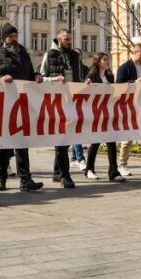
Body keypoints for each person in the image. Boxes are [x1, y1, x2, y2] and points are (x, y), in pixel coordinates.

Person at [0, 23, 44, 192]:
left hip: (22, 104)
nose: (14, 39)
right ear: (4, 38)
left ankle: (25, 180)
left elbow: (30, 74)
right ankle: (1, 179)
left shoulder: (22, 52)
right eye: (10, 36)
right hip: (4, 106)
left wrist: (37, 76)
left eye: (15, 36)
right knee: (3, 145)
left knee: (22, 144)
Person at [40, 29, 83, 189]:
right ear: (59, 39)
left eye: (70, 39)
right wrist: (54, 79)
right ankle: (65, 176)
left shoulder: (74, 56)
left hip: (71, 101)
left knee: (66, 139)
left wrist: (84, 82)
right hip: (56, 102)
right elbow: (40, 77)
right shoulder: (49, 55)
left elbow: (79, 76)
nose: (69, 42)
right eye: (66, 39)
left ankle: (57, 172)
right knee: (61, 138)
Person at [115, 43, 141, 178]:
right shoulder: (124, 67)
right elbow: (118, 86)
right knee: (128, 137)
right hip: (129, 107)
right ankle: (122, 165)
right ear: (135, 52)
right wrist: (134, 82)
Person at [83, 52, 125, 182]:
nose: (107, 62)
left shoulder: (109, 76)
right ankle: (89, 169)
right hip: (96, 113)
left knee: (111, 142)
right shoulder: (91, 75)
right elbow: (86, 91)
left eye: (108, 59)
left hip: (108, 112)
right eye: (105, 60)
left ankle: (113, 171)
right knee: (95, 142)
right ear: (98, 62)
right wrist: (87, 84)